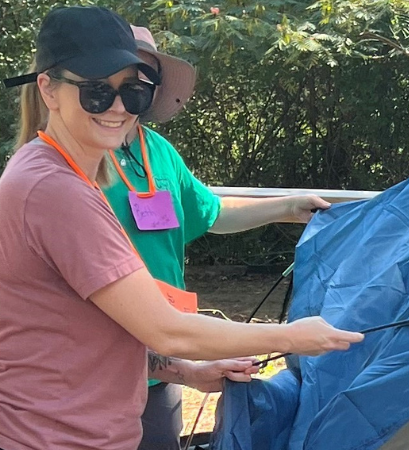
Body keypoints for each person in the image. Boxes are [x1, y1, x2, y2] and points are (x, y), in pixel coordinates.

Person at [0, 7, 362, 449]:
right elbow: (167, 329)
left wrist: (183, 371)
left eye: (132, 92)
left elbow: (88, 331)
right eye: (97, 92)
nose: (117, 107)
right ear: (49, 89)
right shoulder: (56, 192)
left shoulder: (60, 171)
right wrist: (292, 336)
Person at [108, 25, 333, 450]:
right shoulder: (70, 163)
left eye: (141, 79)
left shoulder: (157, 150)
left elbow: (211, 214)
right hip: (96, 367)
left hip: (161, 360)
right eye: (116, 77)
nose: (127, 92)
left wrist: (286, 208)